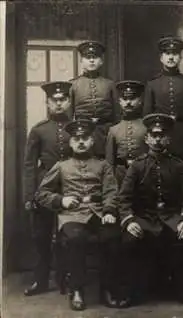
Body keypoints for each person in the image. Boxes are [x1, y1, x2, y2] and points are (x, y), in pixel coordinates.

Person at [35, 119, 122, 311]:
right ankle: (77, 289)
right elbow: (41, 194)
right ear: (71, 142)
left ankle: (107, 288)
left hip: (98, 213)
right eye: (77, 138)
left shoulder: (103, 165)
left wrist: (108, 211)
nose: (81, 142)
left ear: (92, 141)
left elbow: (111, 192)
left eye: (85, 138)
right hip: (71, 216)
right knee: (76, 239)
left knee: (113, 237)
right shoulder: (61, 166)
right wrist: (61, 201)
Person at [119, 113, 183, 307]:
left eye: (161, 135)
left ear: (168, 139)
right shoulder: (137, 167)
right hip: (145, 219)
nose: (157, 139)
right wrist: (129, 221)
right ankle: (131, 293)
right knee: (129, 241)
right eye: (153, 135)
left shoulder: (178, 166)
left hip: (172, 218)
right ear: (146, 138)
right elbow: (124, 198)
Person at [23, 81, 73, 297]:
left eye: (63, 100)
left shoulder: (76, 128)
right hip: (44, 190)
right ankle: (41, 280)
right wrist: (30, 195)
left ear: (69, 101)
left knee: (67, 235)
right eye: (55, 100)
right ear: (48, 102)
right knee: (41, 236)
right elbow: (29, 165)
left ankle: (65, 278)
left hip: (71, 187)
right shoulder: (39, 130)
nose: (59, 104)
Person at [143, 36, 183, 159]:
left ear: (180, 58)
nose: (171, 57)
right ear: (161, 58)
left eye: (175, 54)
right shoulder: (152, 84)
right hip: (159, 136)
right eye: (167, 53)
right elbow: (147, 116)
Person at [70, 40, 119, 159]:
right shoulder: (73, 85)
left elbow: (117, 115)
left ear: (101, 61)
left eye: (95, 57)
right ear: (81, 61)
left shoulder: (110, 84)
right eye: (87, 57)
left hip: (105, 134)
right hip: (82, 135)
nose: (92, 60)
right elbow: (69, 117)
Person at [105, 80, 147, 186]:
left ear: (140, 101)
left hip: (143, 174)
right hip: (120, 175)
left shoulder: (146, 127)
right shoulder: (114, 130)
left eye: (132, 99)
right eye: (125, 99)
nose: (128, 102)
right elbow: (110, 162)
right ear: (120, 102)